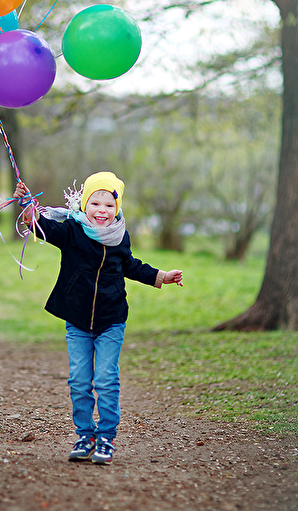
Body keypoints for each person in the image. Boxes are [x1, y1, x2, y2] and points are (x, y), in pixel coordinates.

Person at [13, 172, 183, 466]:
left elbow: (130, 265)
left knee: (106, 380)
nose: (101, 210)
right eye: (95, 203)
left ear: (117, 209)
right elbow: (43, 229)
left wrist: (161, 277)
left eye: (108, 205)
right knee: (79, 381)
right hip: (77, 320)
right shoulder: (72, 231)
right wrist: (28, 208)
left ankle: (106, 437)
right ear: (84, 205)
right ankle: (85, 436)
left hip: (111, 319)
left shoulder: (120, 236)